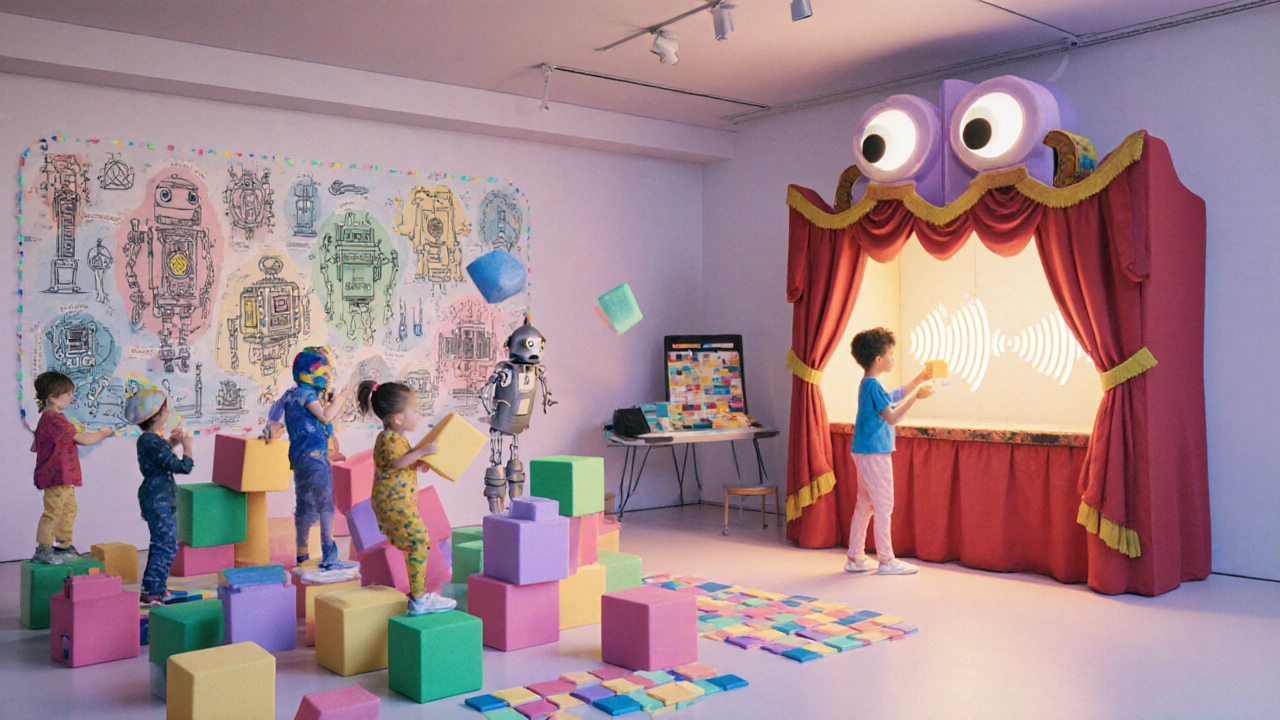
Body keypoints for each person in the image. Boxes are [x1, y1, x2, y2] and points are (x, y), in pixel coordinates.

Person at [357, 380, 452, 615]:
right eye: (415, 410)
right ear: (399, 418)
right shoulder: (388, 439)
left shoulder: (398, 439)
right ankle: (418, 599)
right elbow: (398, 462)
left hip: (399, 504)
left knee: (417, 542)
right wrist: (420, 453)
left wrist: (420, 462)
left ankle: (418, 596)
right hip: (394, 505)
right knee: (419, 542)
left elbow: (403, 463)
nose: (418, 415)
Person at [846, 327, 933, 576]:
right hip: (875, 454)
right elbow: (892, 417)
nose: (893, 358)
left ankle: (855, 556)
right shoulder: (873, 386)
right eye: (891, 354)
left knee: (865, 504)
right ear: (878, 359)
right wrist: (916, 398)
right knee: (884, 505)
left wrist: (918, 380)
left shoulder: (869, 385)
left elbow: (892, 396)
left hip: (864, 451)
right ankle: (886, 560)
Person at [267, 347, 358, 571]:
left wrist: (271, 429)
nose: (327, 377)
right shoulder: (307, 395)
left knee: (304, 506)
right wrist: (342, 398)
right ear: (307, 373)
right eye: (323, 372)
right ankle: (329, 556)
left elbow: (274, 414)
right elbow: (325, 416)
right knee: (325, 506)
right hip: (315, 459)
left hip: (299, 460)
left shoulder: (290, 394)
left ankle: (302, 554)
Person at [30, 371, 113, 564]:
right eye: (68, 394)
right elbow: (82, 439)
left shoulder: (48, 419)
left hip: (64, 476)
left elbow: (36, 445)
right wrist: (103, 433)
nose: (72, 398)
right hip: (56, 476)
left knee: (68, 509)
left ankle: (63, 545)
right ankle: (43, 548)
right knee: (53, 512)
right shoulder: (55, 419)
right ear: (52, 397)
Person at [125, 387, 192, 605]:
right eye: (165, 410)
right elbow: (182, 467)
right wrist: (187, 447)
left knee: (163, 543)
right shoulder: (151, 441)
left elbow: (160, 458)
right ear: (155, 416)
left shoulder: (149, 440)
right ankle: (153, 591)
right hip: (158, 499)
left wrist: (172, 443)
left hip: (157, 498)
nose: (167, 413)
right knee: (165, 544)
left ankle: (156, 588)